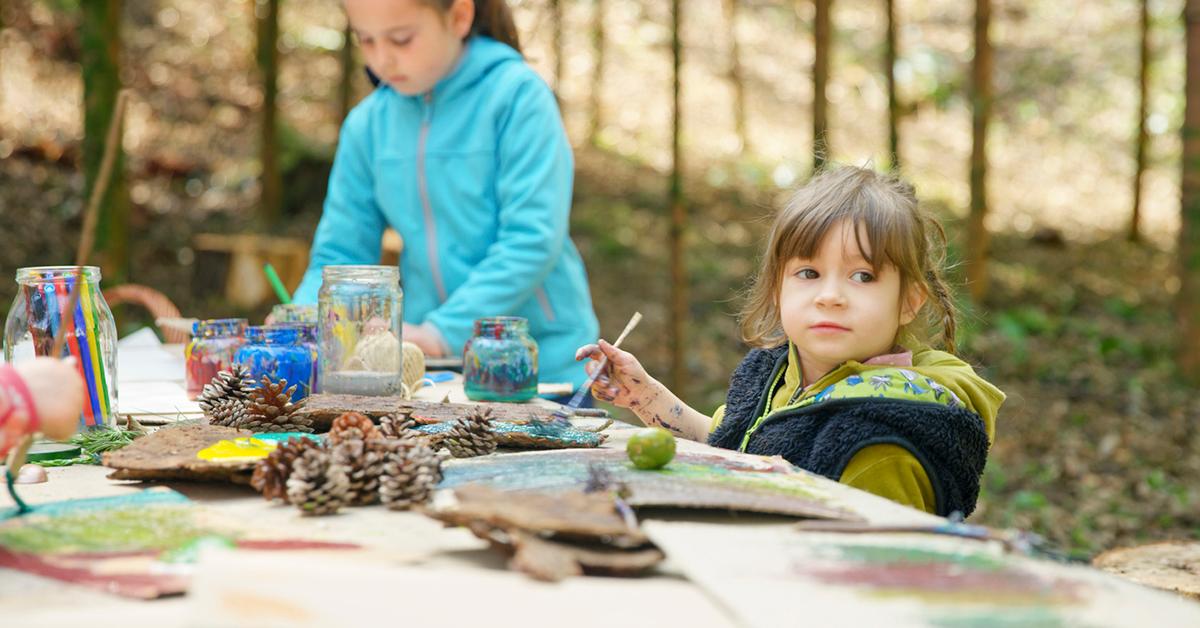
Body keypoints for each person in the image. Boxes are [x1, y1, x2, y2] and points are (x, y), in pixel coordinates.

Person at [577, 166, 1005, 517]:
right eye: (809, 273)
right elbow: (730, 445)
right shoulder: (779, 373)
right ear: (779, 288)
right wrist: (645, 396)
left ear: (909, 301)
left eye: (862, 276)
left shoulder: (882, 441)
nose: (830, 296)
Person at [292, 0, 600, 391]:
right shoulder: (367, 125)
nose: (382, 59)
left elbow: (531, 239)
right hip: (433, 374)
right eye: (366, 40)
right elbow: (341, 253)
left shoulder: (518, 97)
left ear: (458, 17)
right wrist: (303, 318)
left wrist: (443, 331)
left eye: (401, 39)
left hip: (541, 370)